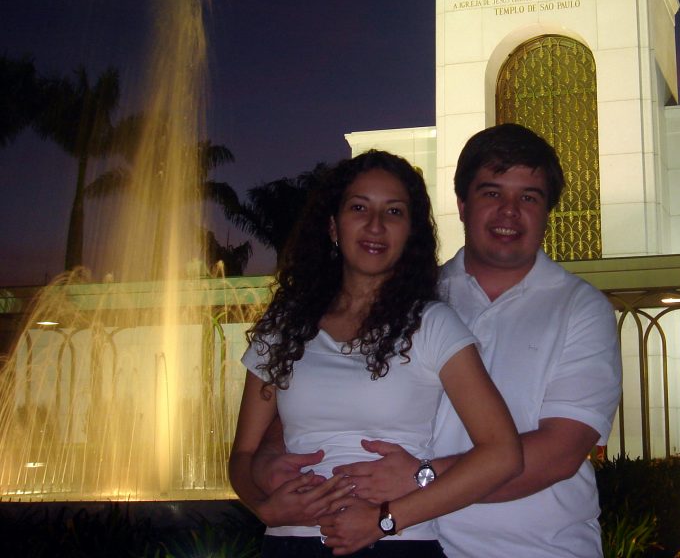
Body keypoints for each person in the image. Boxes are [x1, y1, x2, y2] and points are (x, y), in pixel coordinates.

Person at [256, 125, 622, 557]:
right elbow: (318, 391)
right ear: (462, 205)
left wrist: (421, 477)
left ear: (547, 212)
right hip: (419, 543)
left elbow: (561, 451)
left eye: (529, 197)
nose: (509, 212)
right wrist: (270, 460)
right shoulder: (410, 297)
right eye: (491, 193)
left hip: (540, 547)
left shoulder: (581, 308)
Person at [230, 150, 523, 557]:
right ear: (333, 226)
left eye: (394, 212)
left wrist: (385, 519)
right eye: (359, 208)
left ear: (410, 233)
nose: (375, 225)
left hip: (394, 544)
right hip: (290, 544)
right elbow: (243, 456)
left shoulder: (431, 324)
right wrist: (264, 508)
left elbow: (503, 454)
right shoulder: (284, 326)